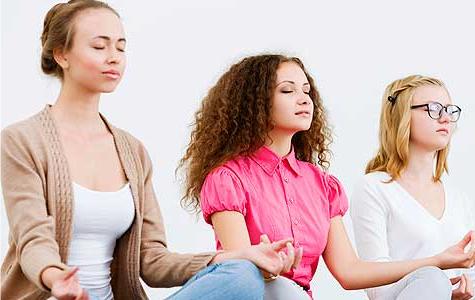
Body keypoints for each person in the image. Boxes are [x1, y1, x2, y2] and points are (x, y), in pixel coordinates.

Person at [1, 2, 295, 299]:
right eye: (99, 46)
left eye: (120, 47)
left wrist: (240, 255)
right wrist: (56, 278)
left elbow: (152, 260)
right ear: (61, 55)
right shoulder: (22, 140)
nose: (113, 58)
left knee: (242, 276)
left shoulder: (132, 151)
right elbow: (33, 240)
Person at [179, 54, 475, 299]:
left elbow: (350, 272)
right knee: (280, 288)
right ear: (254, 104)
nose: (304, 99)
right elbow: (240, 273)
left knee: (431, 279)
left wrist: (438, 261)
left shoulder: (321, 185)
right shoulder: (227, 178)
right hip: (261, 293)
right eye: (287, 91)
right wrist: (270, 267)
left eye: (306, 91)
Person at [350, 74, 475, 299]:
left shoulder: (457, 198)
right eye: (433, 108)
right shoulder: (373, 188)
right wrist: (437, 290)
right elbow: (376, 289)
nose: (445, 118)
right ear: (401, 116)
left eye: (450, 110)